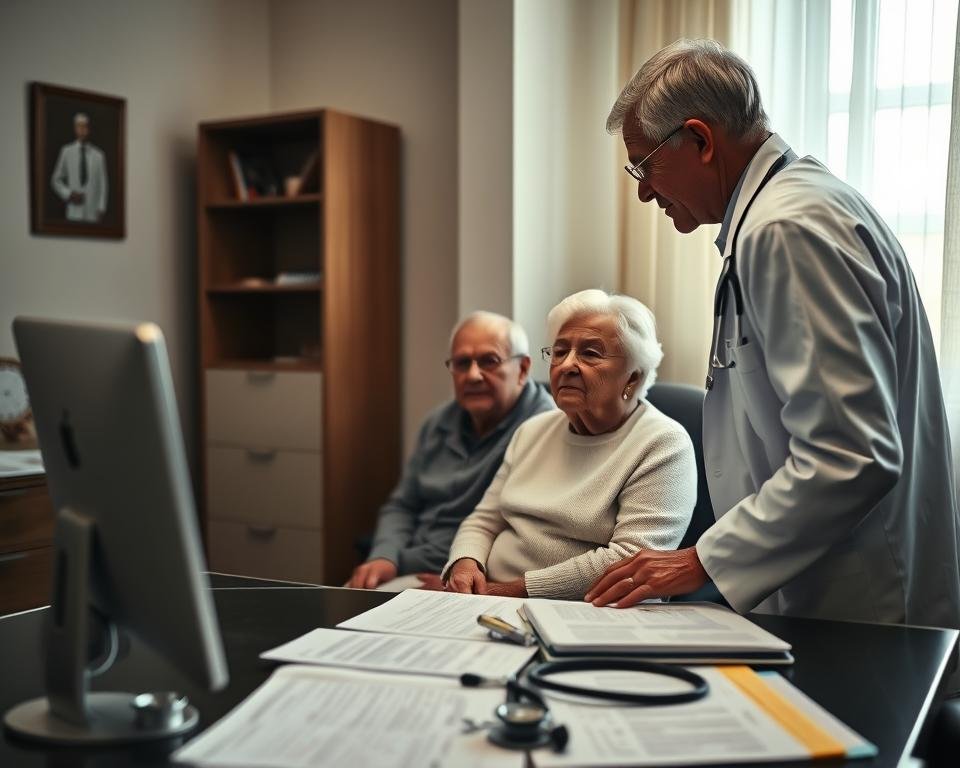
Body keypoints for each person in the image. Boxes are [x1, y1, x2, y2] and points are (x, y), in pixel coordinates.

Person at [587, 39, 960, 640]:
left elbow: (851, 455)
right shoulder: (784, 213)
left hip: (859, 605)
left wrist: (698, 560)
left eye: (645, 163)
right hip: (819, 587)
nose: (643, 191)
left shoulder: (789, 229)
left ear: (701, 140)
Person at [443, 290, 696, 600]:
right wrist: (466, 564)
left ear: (632, 377)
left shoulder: (662, 443)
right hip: (491, 597)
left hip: (588, 610)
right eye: (560, 352)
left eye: (590, 353)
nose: (567, 365)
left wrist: (515, 590)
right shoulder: (532, 431)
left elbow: (629, 559)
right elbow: (484, 519)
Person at [345, 311, 554, 591]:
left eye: (489, 361)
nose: (473, 375)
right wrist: (384, 555)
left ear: (524, 369)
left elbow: (515, 532)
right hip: (409, 564)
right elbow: (403, 505)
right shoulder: (437, 422)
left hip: (463, 576)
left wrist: (412, 565)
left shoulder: (543, 428)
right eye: (462, 363)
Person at [50, 112, 108, 223]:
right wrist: (69, 194)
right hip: (73, 211)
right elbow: (55, 180)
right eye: (79, 126)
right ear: (75, 128)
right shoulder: (66, 151)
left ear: (89, 128)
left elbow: (103, 183)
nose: (82, 130)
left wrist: (101, 207)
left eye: (84, 126)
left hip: (93, 212)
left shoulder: (98, 155)